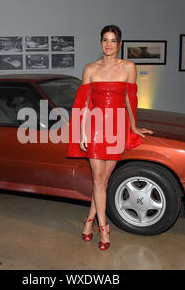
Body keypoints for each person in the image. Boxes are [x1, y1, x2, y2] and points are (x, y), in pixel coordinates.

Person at [66, 25, 154, 250]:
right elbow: (84, 104)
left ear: (120, 44)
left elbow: (129, 99)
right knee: (97, 179)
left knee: (104, 181)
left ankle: (89, 220)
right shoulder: (90, 69)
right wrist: (83, 132)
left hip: (117, 127)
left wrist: (133, 127)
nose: (108, 44)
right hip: (94, 127)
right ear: (100, 43)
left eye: (113, 40)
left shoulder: (128, 67)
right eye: (105, 40)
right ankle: (103, 228)